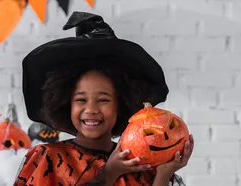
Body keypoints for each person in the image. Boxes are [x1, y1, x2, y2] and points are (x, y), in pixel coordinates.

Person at [15, 12, 194, 186]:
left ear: (121, 104)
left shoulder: (141, 165)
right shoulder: (46, 158)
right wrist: (110, 172)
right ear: (66, 103)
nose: (91, 109)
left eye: (103, 100)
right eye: (81, 100)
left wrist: (164, 174)